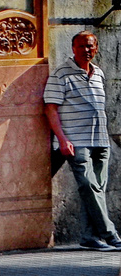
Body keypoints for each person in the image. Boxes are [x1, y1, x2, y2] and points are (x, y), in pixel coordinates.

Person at [45, 31, 121, 251]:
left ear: (96, 48)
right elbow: (50, 109)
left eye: (90, 46)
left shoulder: (99, 73)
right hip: (76, 140)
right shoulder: (61, 74)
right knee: (88, 185)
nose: (86, 50)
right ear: (73, 48)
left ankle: (89, 237)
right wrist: (62, 139)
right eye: (81, 46)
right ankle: (111, 234)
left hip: (101, 140)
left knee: (96, 189)